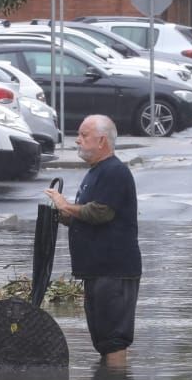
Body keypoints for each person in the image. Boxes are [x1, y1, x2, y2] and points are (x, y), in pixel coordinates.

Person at [46, 115, 140, 367]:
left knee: (114, 339)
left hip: (115, 270)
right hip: (97, 270)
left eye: (83, 135)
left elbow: (100, 212)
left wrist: (67, 206)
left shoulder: (114, 171)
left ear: (101, 141)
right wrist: (62, 214)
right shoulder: (95, 172)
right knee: (101, 337)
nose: (77, 140)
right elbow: (85, 215)